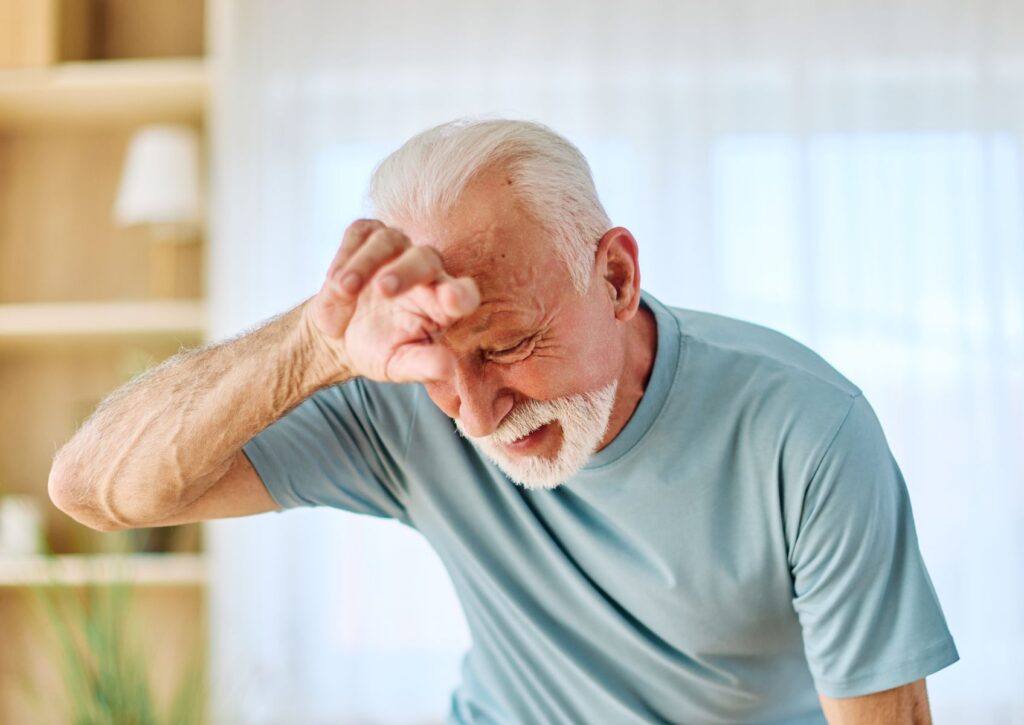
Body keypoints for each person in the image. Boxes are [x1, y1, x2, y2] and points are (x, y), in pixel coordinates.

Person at [49, 118, 958, 724]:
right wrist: (313, 344)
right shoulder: (402, 399)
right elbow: (94, 492)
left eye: (513, 343)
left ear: (615, 278)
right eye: (446, 363)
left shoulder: (805, 429)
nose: (478, 411)